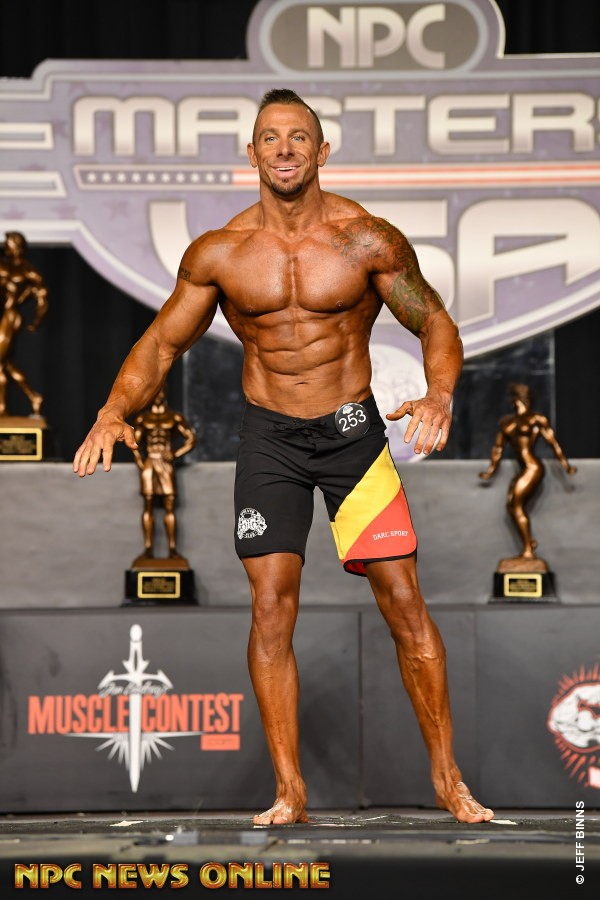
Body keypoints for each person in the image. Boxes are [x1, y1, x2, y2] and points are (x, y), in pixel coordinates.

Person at [74, 88, 494, 825]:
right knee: (271, 607)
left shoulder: (366, 240)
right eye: (270, 137)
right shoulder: (221, 253)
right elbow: (161, 344)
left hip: (353, 437)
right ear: (252, 153)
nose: (284, 149)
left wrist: (439, 395)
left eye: (298, 136)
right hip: (271, 439)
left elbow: (435, 322)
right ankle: (290, 791)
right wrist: (114, 410)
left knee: (403, 600)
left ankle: (447, 776)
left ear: (322, 150)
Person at [479, 382, 576, 559]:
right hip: (525, 469)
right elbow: (498, 448)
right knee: (511, 506)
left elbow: (553, 443)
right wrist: (491, 471)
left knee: (516, 506)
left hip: (533, 467)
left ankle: (528, 550)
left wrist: (565, 465)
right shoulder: (508, 422)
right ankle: (528, 544)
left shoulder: (535, 419)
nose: (523, 399)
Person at [131, 388, 196, 559]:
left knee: (169, 504)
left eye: (161, 391)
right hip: (150, 461)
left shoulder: (174, 417)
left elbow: (191, 438)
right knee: (148, 503)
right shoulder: (143, 418)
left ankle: (172, 548)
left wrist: (175, 453)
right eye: (155, 391)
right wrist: (140, 462)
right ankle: (148, 548)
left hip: (166, 463)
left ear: (165, 393)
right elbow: (134, 442)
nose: (158, 395)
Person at [0, 231, 48, 416]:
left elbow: (42, 297)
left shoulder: (27, 271)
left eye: (11, 244)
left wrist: (36, 321)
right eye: (7, 244)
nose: (8, 248)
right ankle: (33, 396)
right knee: (5, 363)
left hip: (10, 316)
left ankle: (2, 409)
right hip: (2, 314)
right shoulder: (4, 265)